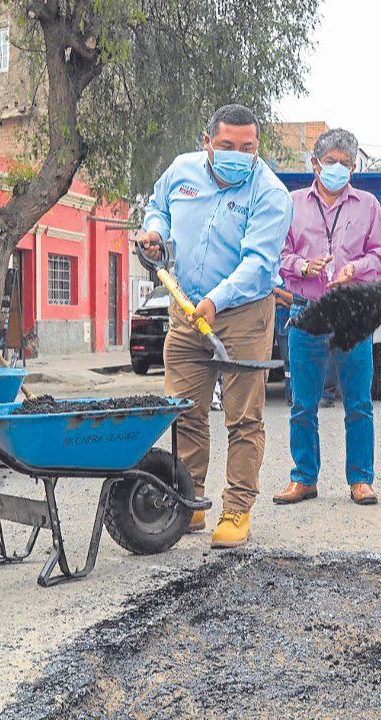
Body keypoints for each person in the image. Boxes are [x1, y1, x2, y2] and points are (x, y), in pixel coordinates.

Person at [141, 104, 292, 548]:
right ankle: (191, 503)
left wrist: (214, 301)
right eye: (227, 146)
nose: (238, 155)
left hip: (242, 313)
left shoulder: (270, 193)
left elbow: (258, 264)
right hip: (185, 308)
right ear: (207, 142)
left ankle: (236, 510)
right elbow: (157, 208)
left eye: (247, 148)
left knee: (243, 417)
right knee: (185, 411)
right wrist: (154, 233)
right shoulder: (181, 171)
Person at [273, 128, 381, 506]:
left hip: (350, 315)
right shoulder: (291, 203)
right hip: (306, 313)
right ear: (315, 164)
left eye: (346, 163)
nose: (338, 168)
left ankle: (361, 479)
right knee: (302, 403)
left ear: (354, 167)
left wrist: (354, 270)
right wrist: (304, 266)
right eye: (331, 162)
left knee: (358, 403)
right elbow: (279, 255)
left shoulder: (369, 205)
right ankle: (304, 478)